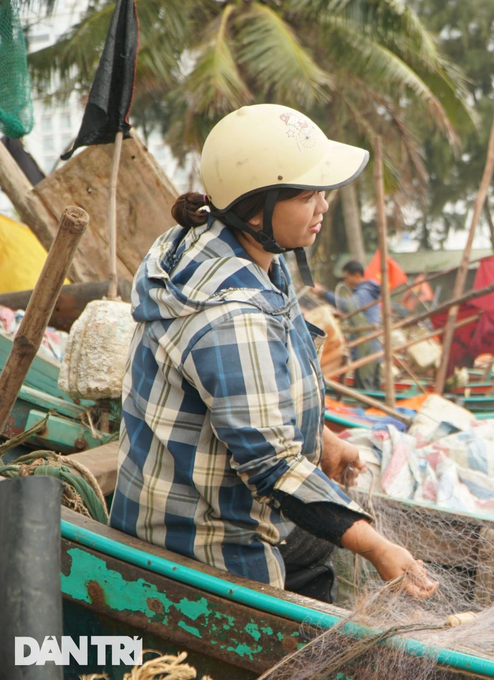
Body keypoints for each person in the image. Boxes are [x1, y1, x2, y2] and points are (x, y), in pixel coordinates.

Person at [110, 103, 436, 603]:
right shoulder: (229, 314)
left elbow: (251, 391)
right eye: (307, 195)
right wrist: (377, 547)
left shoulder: (237, 249)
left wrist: (322, 438)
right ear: (256, 207)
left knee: (316, 549)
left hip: (205, 496)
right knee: (323, 576)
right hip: (201, 539)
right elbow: (272, 467)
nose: (323, 206)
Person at [315, 260, 383, 390]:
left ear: (357, 275)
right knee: (372, 388)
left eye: (347, 278)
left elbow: (348, 306)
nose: (345, 282)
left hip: (366, 349)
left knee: (366, 390)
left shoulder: (365, 291)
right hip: (371, 348)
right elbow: (357, 313)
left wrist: (322, 293)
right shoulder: (367, 292)